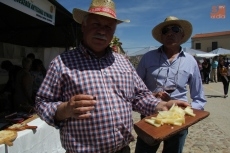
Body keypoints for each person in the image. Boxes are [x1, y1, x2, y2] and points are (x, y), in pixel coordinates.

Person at [35, 1, 189, 153]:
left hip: (122, 149)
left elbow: (139, 96)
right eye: (96, 24)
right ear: (83, 26)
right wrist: (64, 110)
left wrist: (160, 106)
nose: (102, 31)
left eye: (108, 27)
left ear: (114, 31)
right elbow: (42, 103)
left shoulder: (123, 62)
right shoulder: (61, 63)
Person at [135, 16, 207, 153]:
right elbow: (135, 87)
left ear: (182, 35)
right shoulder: (148, 57)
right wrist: (151, 95)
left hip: (179, 118)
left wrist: (187, 113)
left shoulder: (190, 61)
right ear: (161, 37)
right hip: (151, 115)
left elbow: (199, 97)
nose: (170, 33)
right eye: (165, 30)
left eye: (175, 29)